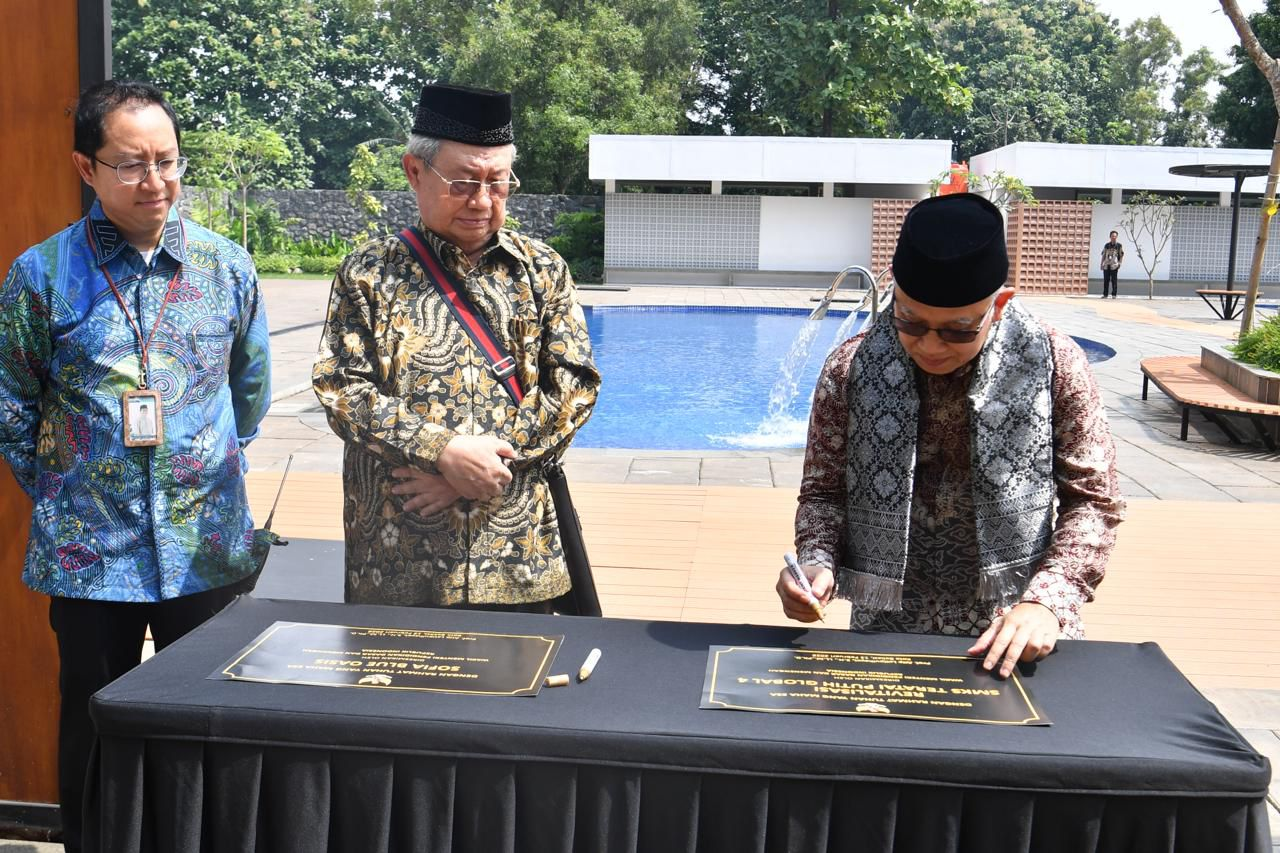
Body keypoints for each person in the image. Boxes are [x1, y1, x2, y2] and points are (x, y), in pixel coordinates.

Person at [0, 80, 271, 852]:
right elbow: (11, 401)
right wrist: (64, 489)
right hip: (89, 553)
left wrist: (212, 462)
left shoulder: (226, 267)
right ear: (87, 168)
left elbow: (250, 388)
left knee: (213, 719)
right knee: (91, 717)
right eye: (131, 164)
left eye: (168, 161)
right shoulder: (42, 275)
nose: (155, 182)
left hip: (205, 542)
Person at [777, 193, 1124, 679]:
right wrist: (816, 562)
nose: (930, 345)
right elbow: (824, 492)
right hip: (885, 631)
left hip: (1016, 629)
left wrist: (1050, 600)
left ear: (999, 305)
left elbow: (1094, 502)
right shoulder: (851, 367)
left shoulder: (1055, 365)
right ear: (894, 293)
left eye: (958, 329)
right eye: (910, 322)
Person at [313, 83, 599, 613]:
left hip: (517, 550)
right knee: (395, 693)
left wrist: (479, 470)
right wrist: (442, 452)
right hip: (397, 556)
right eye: (465, 182)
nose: (483, 201)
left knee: (521, 686)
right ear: (414, 171)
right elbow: (341, 388)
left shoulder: (541, 271)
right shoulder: (370, 272)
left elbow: (574, 387)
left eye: (498, 182)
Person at [1100, 230, 1124, 298]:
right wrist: (1101, 264)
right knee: (1106, 280)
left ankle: (1114, 294)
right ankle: (1105, 294)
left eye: (1115, 236)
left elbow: (1121, 255)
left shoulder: (1119, 245)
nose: (1114, 237)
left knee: (1114, 281)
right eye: (1112, 236)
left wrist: (1119, 263)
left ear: (1117, 237)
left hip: (1114, 265)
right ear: (1110, 236)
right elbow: (1103, 255)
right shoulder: (1106, 245)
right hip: (1106, 265)